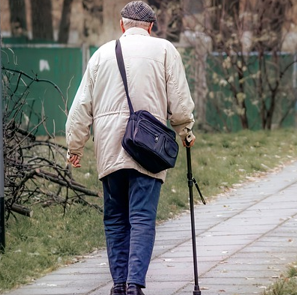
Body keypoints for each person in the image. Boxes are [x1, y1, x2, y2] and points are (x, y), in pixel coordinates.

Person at [65, 2, 196, 295]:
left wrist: (75, 146)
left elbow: (81, 106)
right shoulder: (164, 50)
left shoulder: (101, 55)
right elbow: (179, 99)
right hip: (147, 148)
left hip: (110, 149)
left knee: (114, 218)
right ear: (150, 27)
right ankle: (135, 284)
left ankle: (119, 285)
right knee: (141, 217)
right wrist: (185, 131)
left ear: (122, 25)